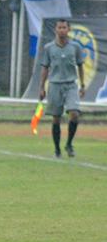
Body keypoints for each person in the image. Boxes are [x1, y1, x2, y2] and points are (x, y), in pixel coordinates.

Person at [38, 19, 85, 158]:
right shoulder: (49, 48)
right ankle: (57, 149)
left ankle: (69, 144)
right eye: (59, 27)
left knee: (74, 114)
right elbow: (45, 68)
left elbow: (80, 66)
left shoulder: (75, 47)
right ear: (56, 30)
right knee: (56, 118)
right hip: (55, 85)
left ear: (68, 29)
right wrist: (41, 87)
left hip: (71, 84)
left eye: (64, 27)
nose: (62, 30)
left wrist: (82, 85)